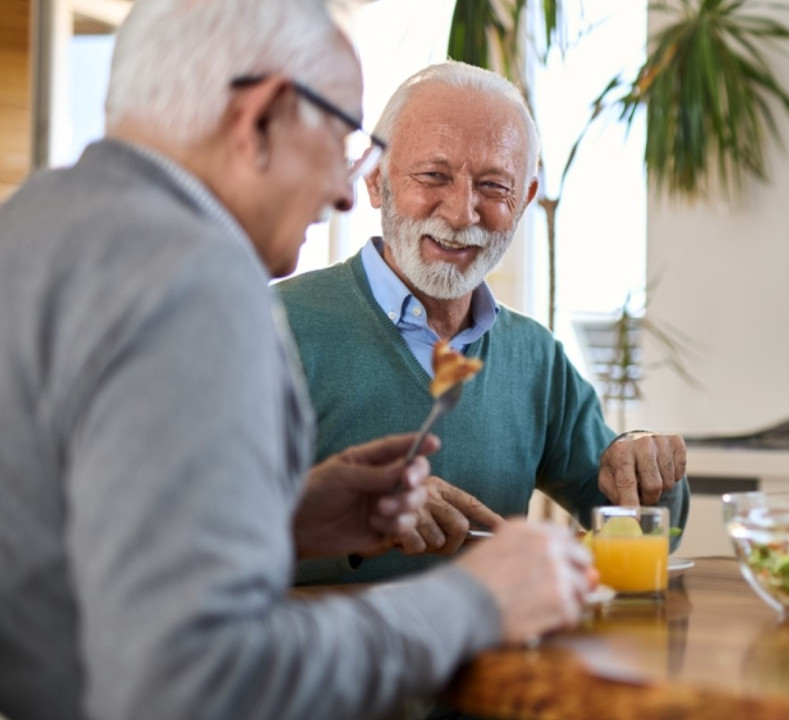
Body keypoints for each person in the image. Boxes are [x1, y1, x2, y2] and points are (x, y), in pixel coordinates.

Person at [0, 2, 593, 719]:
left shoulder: (34, 224)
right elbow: (194, 682)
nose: (347, 189)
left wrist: (280, 519)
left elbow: (59, 549)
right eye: (341, 138)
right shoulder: (198, 281)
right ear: (263, 117)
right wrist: (472, 602)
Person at [276, 61, 690, 583]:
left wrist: (650, 468)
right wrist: (352, 514)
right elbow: (193, 529)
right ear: (377, 180)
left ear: (524, 202)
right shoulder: (271, 327)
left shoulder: (534, 357)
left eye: (493, 186)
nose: (461, 213)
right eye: (434, 176)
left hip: (498, 658)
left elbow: (640, 525)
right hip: (319, 658)